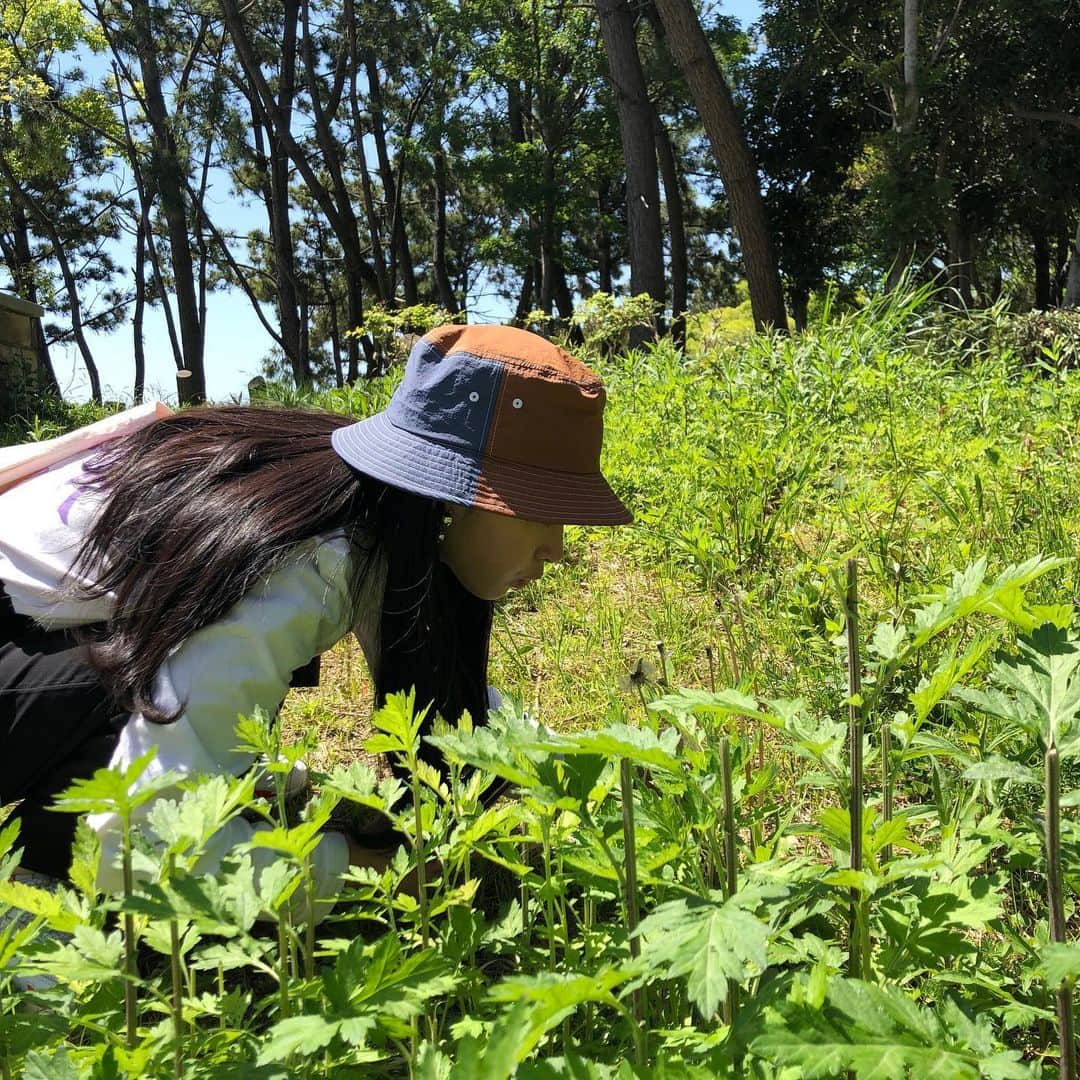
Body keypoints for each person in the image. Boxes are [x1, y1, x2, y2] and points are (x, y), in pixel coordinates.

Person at [0, 324, 632, 908]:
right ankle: (45, 893)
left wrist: (581, 764)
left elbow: (449, 685)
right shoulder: (307, 558)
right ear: (454, 499)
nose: (557, 548)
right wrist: (364, 869)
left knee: (178, 669)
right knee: (124, 685)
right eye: (541, 512)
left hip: (38, 622)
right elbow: (144, 835)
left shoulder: (370, 503)